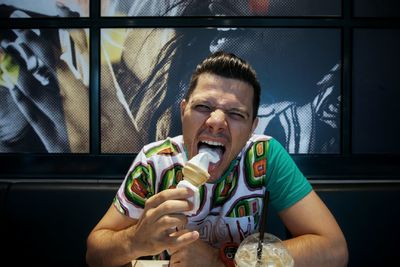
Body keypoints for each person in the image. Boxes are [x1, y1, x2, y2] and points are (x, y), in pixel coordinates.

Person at [86, 51, 348, 267]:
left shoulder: (264, 156)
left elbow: (333, 249)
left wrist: (219, 260)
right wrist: (135, 241)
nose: (216, 122)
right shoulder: (155, 161)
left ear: (252, 128)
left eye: (235, 114)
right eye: (203, 107)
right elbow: (94, 254)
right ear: (183, 111)